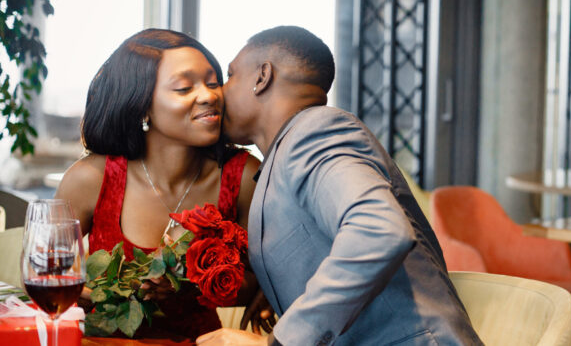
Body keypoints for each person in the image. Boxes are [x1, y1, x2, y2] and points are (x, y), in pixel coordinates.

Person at [198, 26, 481, 345]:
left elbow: (378, 230)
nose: (219, 94)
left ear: (262, 76)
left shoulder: (315, 132)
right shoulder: (283, 156)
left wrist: (279, 341)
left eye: (231, 75)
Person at [55, 29, 262, 340]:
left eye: (212, 83)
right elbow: (44, 274)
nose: (209, 96)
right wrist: (90, 294)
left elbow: (256, 285)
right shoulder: (91, 178)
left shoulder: (243, 176)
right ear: (141, 105)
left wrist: (190, 281)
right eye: (183, 87)